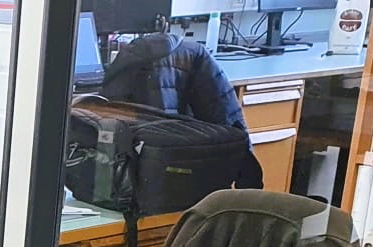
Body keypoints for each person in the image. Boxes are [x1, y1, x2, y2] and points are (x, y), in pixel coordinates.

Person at [100, 31, 263, 189]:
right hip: (186, 180)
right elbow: (230, 118)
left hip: (133, 183)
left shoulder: (124, 67)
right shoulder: (193, 53)